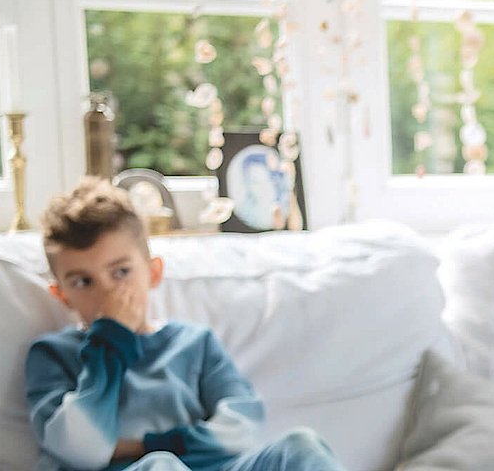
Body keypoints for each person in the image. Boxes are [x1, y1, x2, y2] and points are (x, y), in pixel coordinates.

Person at [24, 178, 345, 471]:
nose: (108, 295)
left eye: (121, 272)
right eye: (83, 282)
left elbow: (243, 429)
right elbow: (80, 451)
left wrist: (140, 446)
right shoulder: (52, 355)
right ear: (62, 294)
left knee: (300, 447)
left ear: (153, 272)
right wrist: (110, 339)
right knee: (160, 467)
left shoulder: (194, 343)